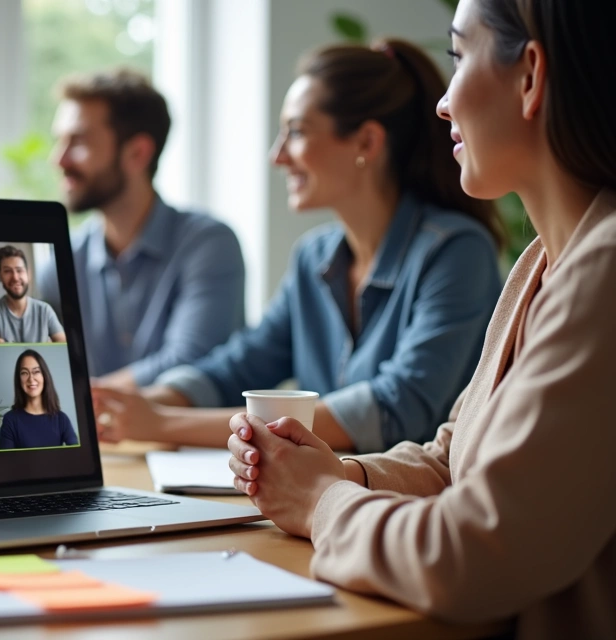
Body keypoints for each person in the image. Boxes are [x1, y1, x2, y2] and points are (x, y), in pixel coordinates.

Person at [226, 0, 616, 635]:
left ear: (530, 77)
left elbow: (476, 554)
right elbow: (452, 457)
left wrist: (322, 502)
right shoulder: (543, 263)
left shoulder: (602, 272)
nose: (443, 102)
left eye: (459, 56)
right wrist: (338, 471)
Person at [94, 38, 505, 454]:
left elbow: (395, 408)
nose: (277, 156)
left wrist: (163, 422)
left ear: (366, 142)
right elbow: (240, 364)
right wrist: (142, 403)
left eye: (296, 132)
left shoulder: (457, 252)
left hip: (413, 508)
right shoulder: (314, 256)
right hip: (326, 499)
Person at [38, 68, 245, 390]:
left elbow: (191, 359)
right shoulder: (63, 260)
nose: (58, 159)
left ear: (137, 153)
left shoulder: (208, 244)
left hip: (188, 439)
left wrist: (83, 399)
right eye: (60, 141)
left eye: (77, 141)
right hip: (101, 440)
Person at [0, 246, 65, 344]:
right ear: (0, 276)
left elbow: (64, 345)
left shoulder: (45, 310)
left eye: (19, 270)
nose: (15, 277)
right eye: (7, 271)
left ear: (28, 274)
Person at [0, 349, 78, 450]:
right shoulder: (10, 420)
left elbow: (78, 455)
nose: (31, 379)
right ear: (19, 379)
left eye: (36, 372)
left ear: (45, 376)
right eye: (24, 373)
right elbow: (5, 463)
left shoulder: (61, 419)